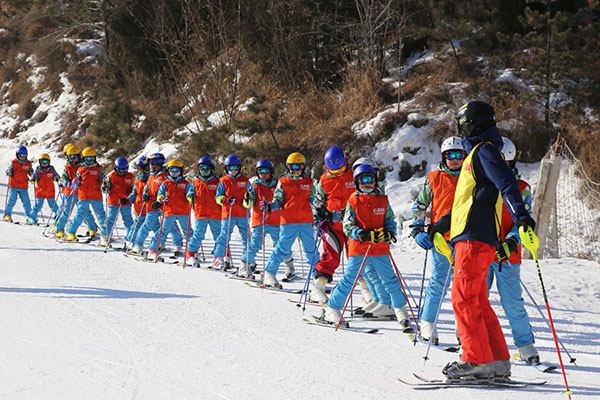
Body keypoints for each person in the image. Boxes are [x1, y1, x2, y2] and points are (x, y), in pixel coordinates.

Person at [430, 101, 536, 380]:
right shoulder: (480, 154)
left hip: (473, 240)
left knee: (463, 298)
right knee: (477, 299)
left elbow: (506, 183)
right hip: (474, 236)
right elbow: (469, 201)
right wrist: (440, 226)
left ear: (469, 124)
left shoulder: (483, 151)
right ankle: (497, 359)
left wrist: (522, 217)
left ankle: (475, 359)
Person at [323, 164, 409, 327]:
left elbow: (389, 220)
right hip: (359, 249)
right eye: (363, 180)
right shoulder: (353, 201)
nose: (367, 183)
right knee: (350, 279)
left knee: (390, 279)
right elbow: (347, 225)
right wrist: (360, 233)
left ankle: (399, 308)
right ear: (356, 182)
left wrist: (389, 232)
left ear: (375, 181)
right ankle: (332, 308)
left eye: (370, 179)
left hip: (380, 248)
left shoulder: (382, 200)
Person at [487, 137, 539, 366]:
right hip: (483, 252)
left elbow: (523, 221)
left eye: (506, 165)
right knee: (476, 298)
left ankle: (526, 345)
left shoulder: (521, 189)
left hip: (508, 255)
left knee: (512, 302)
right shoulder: (483, 187)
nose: (502, 170)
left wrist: (510, 242)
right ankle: (470, 342)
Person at [410, 136, 465, 344]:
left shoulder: (470, 177)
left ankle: (464, 329)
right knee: (439, 282)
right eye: (450, 155)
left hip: (465, 238)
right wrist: (417, 229)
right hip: (441, 239)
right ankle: (427, 323)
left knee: (463, 285)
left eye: (458, 155)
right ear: (443, 156)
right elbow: (421, 205)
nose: (454, 160)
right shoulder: (434, 178)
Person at [261, 152, 319, 288]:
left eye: (298, 166)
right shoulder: (283, 182)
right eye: (292, 167)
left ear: (303, 166)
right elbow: (278, 200)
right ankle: (269, 274)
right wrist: (270, 206)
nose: (296, 169)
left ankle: (317, 277)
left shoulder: (309, 183)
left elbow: (314, 201)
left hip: (305, 221)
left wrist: (320, 212)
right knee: (282, 249)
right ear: (288, 167)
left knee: (311, 250)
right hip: (288, 221)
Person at [309, 146, 355, 303]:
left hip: (353, 226)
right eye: (333, 171)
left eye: (341, 169)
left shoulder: (355, 175)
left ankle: (366, 290)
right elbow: (317, 203)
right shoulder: (324, 181)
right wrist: (319, 217)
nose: (338, 173)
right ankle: (317, 288)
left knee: (357, 258)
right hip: (333, 226)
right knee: (331, 256)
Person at [130, 153, 183, 255]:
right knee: (146, 226)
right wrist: (146, 194)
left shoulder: (166, 176)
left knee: (172, 226)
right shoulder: (151, 176)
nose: (150, 166)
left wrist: (162, 201)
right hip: (152, 206)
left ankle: (178, 245)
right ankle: (138, 244)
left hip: (165, 206)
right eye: (149, 164)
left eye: (152, 163)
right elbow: (148, 187)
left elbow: (171, 190)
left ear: (159, 164)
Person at [238, 159, 282, 278]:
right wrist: (248, 198)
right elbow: (248, 205)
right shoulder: (255, 186)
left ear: (271, 172)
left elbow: (281, 201)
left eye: (265, 171)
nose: (263, 173)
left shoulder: (277, 185)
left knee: (281, 245)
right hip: (260, 220)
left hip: (275, 221)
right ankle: (244, 267)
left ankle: (289, 268)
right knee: (255, 245)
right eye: (260, 171)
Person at [147, 159, 195, 259]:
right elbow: (160, 194)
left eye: (176, 169)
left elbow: (188, 194)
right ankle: (153, 250)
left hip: (183, 211)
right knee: (163, 231)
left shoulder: (186, 183)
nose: (174, 172)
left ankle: (192, 252)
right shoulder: (165, 183)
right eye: (172, 169)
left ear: (181, 170)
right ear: (168, 170)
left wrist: (191, 196)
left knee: (188, 232)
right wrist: (161, 199)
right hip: (170, 211)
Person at [213, 154, 250, 270]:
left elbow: (251, 193)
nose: (233, 170)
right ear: (226, 168)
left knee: (247, 237)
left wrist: (249, 198)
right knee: (224, 236)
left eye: (235, 168)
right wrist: (225, 200)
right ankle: (218, 258)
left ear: (239, 168)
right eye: (230, 168)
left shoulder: (245, 181)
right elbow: (218, 197)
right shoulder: (223, 181)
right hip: (228, 213)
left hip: (242, 213)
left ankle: (248, 259)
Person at [185, 157, 222, 266]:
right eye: (201, 168)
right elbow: (188, 194)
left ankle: (220, 255)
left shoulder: (217, 182)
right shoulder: (196, 182)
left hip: (215, 213)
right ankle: (190, 253)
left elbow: (221, 194)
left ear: (211, 168)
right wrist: (190, 196)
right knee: (199, 234)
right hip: (200, 213)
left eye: (206, 167)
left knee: (219, 235)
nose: (203, 170)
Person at [65, 147, 108, 241]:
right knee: (80, 214)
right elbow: (77, 180)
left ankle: (106, 233)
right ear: (84, 158)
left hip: (96, 195)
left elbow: (102, 179)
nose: (90, 160)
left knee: (101, 215)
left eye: (92, 158)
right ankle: (71, 232)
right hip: (83, 195)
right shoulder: (80, 169)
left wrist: (104, 182)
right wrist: (75, 182)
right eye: (88, 158)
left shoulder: (99, 168)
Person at [54, 145, 94, 238]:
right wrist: (68, 184)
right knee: (66, 211)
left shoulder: (83, 165)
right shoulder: (67, 168)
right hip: (70, 192)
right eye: (71, 156)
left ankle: (91, 228)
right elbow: (63, 179)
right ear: (67, 157)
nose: (74, 158)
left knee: (85, 211)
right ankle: (59, 229)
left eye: (75, 156)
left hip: (81, 192)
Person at [100, 157, 135, 246]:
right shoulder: (111, 176)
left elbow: (133, 190)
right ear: (116, 168)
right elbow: (104, 188)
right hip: (113, 201)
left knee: (128, 220)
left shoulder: (130, 177)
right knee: (110, 220)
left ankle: (131, 238)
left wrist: (128, 198)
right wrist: (105, 188)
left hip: (125, 202)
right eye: (120, 170)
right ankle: (105, 236)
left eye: (125, 169)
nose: (123, 172)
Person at [124, 157, 150, 247]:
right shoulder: (138, 180)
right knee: (136, 226)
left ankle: (160, 243)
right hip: (139, 207)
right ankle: (129, 241)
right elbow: (134, 192)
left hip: (149, 208)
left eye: (140, 168)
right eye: (137, 168)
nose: (138, 170)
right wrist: (130, 198)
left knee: (155, 226)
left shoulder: (151, 179)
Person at [29, 153, 60, 225]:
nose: (44, 164)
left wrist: (57, 178)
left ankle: (58, 216)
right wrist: (33, 179)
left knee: (53, 205)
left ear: (49, 162)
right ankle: (31, 218)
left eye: (46, 162)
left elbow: (56, 177)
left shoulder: (52, 170)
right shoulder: (37, 171)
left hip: (50, 192)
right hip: (40, 192)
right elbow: (33, 180)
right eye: (43, 162)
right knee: (38, 205)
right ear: (39, 162)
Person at [4, 145, 33, 223]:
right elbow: (7, 171)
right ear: (17, 155)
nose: (23, 157)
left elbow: (31, 172)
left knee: (26, 202)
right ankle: (7, 215)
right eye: (21, 155)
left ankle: (28, 216)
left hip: (23, 186)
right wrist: (9, 171)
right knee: (12, 201)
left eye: (24, 155)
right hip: (13, 185)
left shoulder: (28, 163)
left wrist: (32, 175)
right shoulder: (14, 163)